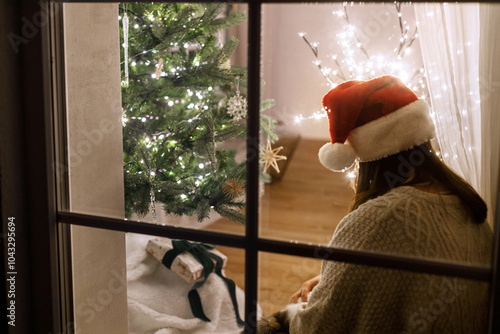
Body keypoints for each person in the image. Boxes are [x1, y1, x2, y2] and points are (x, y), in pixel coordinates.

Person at [286, 75, 493, 333]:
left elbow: (316, 328)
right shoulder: (465, 200)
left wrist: (294, 312)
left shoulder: (378, 218)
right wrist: (337, 279)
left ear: (367, 157)